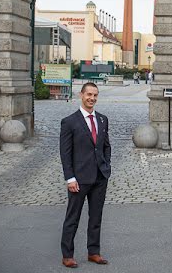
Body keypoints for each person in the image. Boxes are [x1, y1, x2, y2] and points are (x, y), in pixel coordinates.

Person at [59, 83, 112, 268]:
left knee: (96, 217)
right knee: (72, 218)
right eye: (89, 94)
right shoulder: (69, 122)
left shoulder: (103, 119)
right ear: (81, 95)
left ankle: (94, 252)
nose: (92, 98)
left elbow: (106, 146)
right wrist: (70, 178)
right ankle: (67, 255)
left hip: (99, 177)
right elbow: (65, 153)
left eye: (95, 95)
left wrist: (107, 167)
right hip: (79, 180)